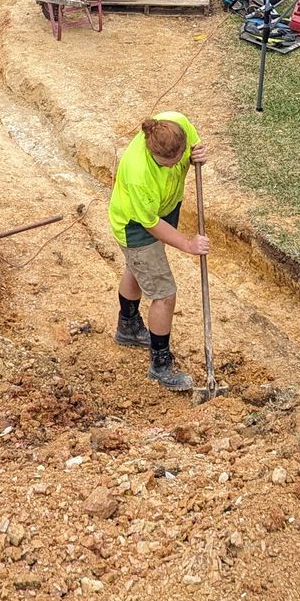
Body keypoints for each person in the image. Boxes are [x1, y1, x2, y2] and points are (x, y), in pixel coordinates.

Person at [106, 112, 210, 392]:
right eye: (170, 163)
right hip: (135, 225)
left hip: (164, 207)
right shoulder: (140, 173)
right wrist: (188, 244)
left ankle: (127, 328)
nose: (178, 164)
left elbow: (194, 146)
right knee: (164, 294)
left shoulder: (176, 122)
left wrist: (196, 154)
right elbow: (150, 224)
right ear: (155, 155)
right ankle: (160, 365)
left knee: (136, 268)